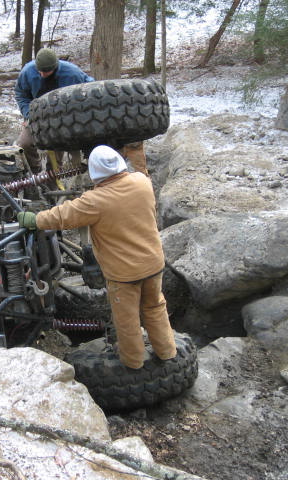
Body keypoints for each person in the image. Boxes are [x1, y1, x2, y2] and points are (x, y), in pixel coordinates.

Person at [16, 145, 177, 369]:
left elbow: (63, 214)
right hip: (153, 264)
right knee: (155, 307)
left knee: (127, 320)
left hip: (124, 274)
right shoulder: (142, 182)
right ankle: (167, 352)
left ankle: (133, 363)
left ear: (95, 172)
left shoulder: (95, 200)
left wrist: (34, 220)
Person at [14, 48, 94, 173]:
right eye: (39, 71)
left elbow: (92, 88)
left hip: (63, 118)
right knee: (24, 144)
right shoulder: (28, 72)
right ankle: (34, 172)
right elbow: (21, 95)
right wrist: (28, 115)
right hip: (37, 116)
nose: (42, 74)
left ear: (55, 67)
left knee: (56, 145)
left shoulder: (72, 73)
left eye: (46, 71)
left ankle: (52, 181)